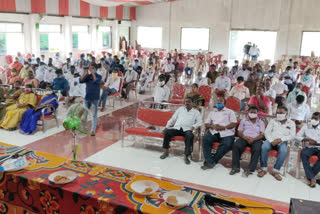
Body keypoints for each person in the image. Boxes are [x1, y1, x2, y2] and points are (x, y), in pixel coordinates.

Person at [160, 98, 202, 164]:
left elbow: (199, 122)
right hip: (177, 128)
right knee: (167, 132)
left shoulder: (196, 112)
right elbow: (173, 119)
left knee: (189, 135)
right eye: (185, 102)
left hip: (187, 129)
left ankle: (186, 155)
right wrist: (166, 127)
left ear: (192, 103)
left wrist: (194, 126)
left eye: (188, 102)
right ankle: (166, 152)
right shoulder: (180, 109)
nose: (187, 103)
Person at [259, 106, 296, 181]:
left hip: (282, 142)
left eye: (281, 113)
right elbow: (267, 132)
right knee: (264, 147)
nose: (279, 114)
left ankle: (275, 171)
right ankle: (264, 169)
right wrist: (272, 140)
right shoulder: (273, 121)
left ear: (286, 114)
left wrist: (280, 139)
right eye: (277, 113)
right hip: (270, 141)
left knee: (283, 151)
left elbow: (292, 135)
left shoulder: (291, 123)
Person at [201, 97, 237, 170]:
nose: (219, 102)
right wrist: (213, 126)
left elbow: (234, 123)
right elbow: (206, 124)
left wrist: (224, 127)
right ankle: (209, 161)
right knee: (205, 139)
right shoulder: (212, 112)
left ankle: (211, 161)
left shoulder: (230, 112)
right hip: (214, 131)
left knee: (226, 144)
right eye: (217, 101)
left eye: (221, 101)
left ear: (224, 103)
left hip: (227, 132)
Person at [231, 106, 265, 176]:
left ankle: (250, 169)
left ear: (257, 113)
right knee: (236, 145)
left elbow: (262, 135)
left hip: (256, 139)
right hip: (244, 137)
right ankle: (235, 167)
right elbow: (239, 132)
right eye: (251, 112)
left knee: (257, 149)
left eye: (254, 112)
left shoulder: (261, 122)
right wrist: (245, 138)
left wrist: (253, 139)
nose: (252, 113)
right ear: (248, 113)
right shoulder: (243, 121)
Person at [297, 112, 320, 188]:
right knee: (303, 153)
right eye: (312, 118)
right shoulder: (306, 126)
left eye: (316, 119)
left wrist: (316, 143)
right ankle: (312, 177)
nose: (313, 120)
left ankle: (309, 176)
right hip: (309, 147)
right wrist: (306, 139)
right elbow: (297, 136)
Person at [80, 65, 102, 136]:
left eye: (92, 68)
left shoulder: (99, 76)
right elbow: (81, 80)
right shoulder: (88, 75)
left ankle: (93, 129)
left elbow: (96, 81)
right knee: (85, 113)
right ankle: (83, 127)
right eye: (90, 68)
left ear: (95, 69)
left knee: (94, 114)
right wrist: (84, 72)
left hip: (95, 97)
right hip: (87, 96)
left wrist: (92, 73)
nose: (90, 69)